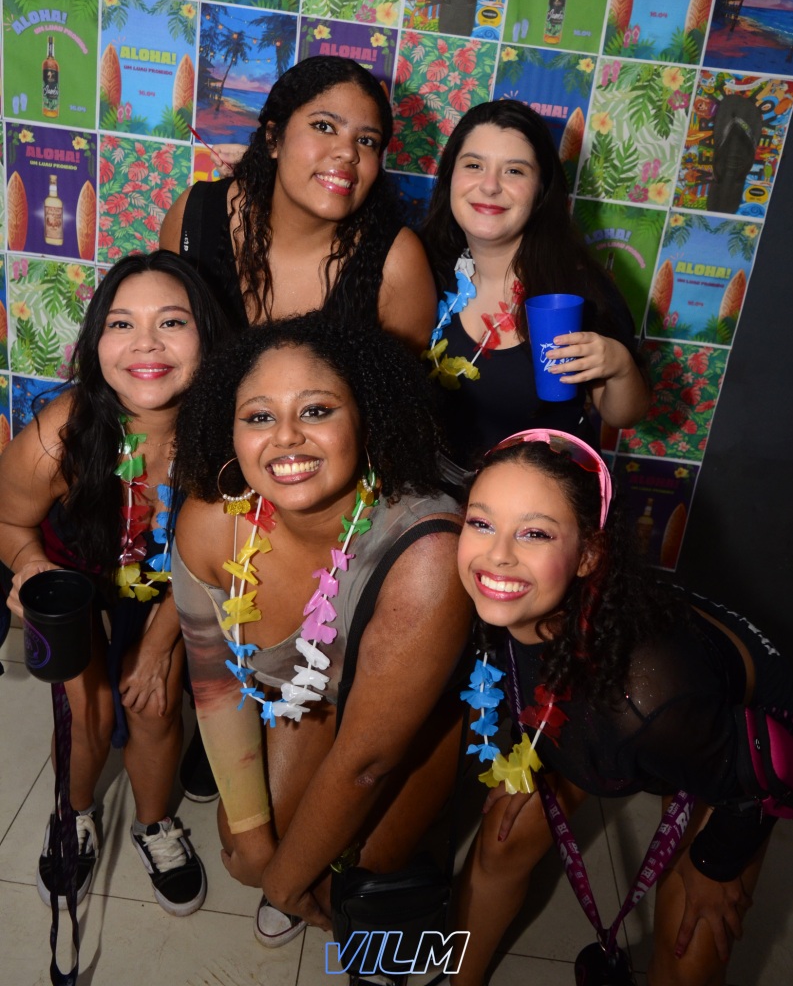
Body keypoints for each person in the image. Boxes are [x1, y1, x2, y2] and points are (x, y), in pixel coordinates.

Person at [170, 313, 471, 947]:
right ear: (230, 432)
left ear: (364, 419)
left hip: (424, 718)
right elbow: (215, 684)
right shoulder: (210, 522)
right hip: (314, 701)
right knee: (245, 843)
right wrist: (254, 836)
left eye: (316, 410)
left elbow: (367, 762)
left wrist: (283, 882)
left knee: (352, 887)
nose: (285, 437)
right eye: (259, 416)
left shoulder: (427, 552)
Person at [454, 428, 793, 986]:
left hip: (733, 744)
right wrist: (527, 754)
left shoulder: (645, 698)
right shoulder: (492, 596)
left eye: (534, 533)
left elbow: (773, 768)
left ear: (587, 556)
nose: (497, 555)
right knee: (502, 841)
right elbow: (528, 677)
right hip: (615, 708)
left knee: (690, 947)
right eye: (481, 523)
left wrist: (717, 863)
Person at [0, 251, 226, 916]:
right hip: (76, 580)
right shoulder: (60, 434)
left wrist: (159, 646)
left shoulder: (229, 436)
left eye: (172, 322)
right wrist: (29, 565)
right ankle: (72, 814)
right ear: (96, 343)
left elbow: (217, 559)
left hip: (178, 586)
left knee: (154, 704)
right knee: (89, 711)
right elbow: (8, 519)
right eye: (121, 324)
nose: (146, 344)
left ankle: (154, 825)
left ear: (207, 336)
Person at [420, 99, 650, 480]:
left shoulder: (576, 289)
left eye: (514, 171)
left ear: (541, 189)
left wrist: (619, 365)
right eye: (474, 165)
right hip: (436, 495)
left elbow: (624, 414)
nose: (490, 185)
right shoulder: (422, 267)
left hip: (541, 497)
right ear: (449, 177)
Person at [161, 55, 437, 352]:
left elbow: (403, 381)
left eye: (367, 141)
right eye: (324, 126)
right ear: (273, 138)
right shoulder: (196, 216)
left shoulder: (398, 263)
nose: (348, 152)